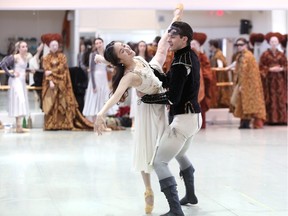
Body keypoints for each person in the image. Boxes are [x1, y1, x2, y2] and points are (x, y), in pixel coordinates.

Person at [93, 5, 183, 215]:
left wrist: (175, 18)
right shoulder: (129, 76)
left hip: (158, 99)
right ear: (120, 60)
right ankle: (148, 189)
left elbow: (160, 46)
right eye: (122, 51)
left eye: (125, 45)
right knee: (147, 152)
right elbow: (116, 96)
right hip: (148, 112)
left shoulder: (138, 59)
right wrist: (100, 114)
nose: (126, 48)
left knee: (162, 47)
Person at [140, 21, 202, 215]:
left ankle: (175, 210)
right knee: (179, 153)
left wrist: (146, 98)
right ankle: (190, 196)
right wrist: (155, 70)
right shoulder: (187, 56)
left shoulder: (182, 62)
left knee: (159, 162)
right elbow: (171, 80)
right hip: (193, 118)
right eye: (169, 35)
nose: (169, 39)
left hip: (184, 119)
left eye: (173, 36)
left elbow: (173, 97)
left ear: (185, 39)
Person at [41, 33, 93, 130]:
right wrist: (50, 81)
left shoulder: (62, 57)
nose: (55, 47)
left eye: (56, 45)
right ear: (49, 46)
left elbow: (62, 69)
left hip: (62, 84)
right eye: (52, 45)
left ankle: (63, 123)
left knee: (63, 104)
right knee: (52, 104)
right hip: (51, 85)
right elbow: (46, 70)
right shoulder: (46, 58)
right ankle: (52, 124)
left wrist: (51, 72)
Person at [0, 41, 43, 133]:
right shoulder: (14, 57)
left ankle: (18, 126)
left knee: (21, 102)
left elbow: (22, 68)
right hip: (15, 81)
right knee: (19, 100)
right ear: (18, 48)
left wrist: (28, 70)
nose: (25, 48)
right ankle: (18, 126)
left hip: (22, 82)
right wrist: (11, 74)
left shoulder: (25, 58)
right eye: (23, 47)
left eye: (26, 46)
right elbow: (2, 64)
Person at [227, 38, 266, 129]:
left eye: (241, 45)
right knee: (241, 102)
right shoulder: (240, 56)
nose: (239, 47)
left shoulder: (248, 56)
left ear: (246, 45)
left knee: (247, 103)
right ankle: (244, 122)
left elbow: (248, 73)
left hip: (247, 84)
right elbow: (240, 70)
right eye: (237, 45)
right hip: (241, 83)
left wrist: (243, 85)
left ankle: (247, 122)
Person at [82, 37, 116, 123]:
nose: (98, 45)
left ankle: (102, 123)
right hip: (96, 79)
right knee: (95, 99)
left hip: (104, 78)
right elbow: (92, 70)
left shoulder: (106, 54)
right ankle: (95, 123)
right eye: (96, 43)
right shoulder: (93, 55)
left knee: (104, 99)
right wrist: (93, 85)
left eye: (100, 42)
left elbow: (106, 67)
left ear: (103, 43)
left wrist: (111, 70)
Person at [259, 33, 287, 125]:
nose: (274, 43)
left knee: (280, 99)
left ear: (278, 42)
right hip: (269, 81)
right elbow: (260, 67)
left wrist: (282, 69)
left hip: (280, 80)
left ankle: (282, 119)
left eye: (275, 41)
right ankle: (269, 119)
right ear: (269, 43)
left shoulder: (282, 54)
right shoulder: (265, 54)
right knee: (269, 99)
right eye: (272, 41)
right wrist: (270, 69)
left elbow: (286, 65)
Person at [191, 32, 214, 129]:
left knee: (201, 107)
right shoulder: (186, 55)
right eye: (191, 44)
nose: (192, 46)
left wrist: (202, 75)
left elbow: (207, 70)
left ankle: (201, 125)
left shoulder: (202, 56)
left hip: (201, 86)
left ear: (199, 46)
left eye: (194, 44)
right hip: (190, 86)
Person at [208, 39, 231, 108]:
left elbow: (220, 66)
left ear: (212, 46)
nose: (209, 47)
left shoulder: (218, 55)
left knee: (220, 89)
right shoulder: (216, 54)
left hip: (219, 76)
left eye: (209, 46)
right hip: (217, 75)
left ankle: (221, 102)